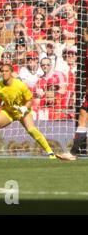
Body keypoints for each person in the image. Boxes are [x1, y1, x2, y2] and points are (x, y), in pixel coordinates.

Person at [0, 63, 56, 159]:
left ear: (11, 73)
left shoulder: (20, 85)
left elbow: (30, 100)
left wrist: (24, 108)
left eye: (6, 71)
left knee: (31, 130)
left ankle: (50, 152)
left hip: (23, 111)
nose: (4, 73)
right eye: (2, 71)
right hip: (8, 112)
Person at [57, 27, 88, 161]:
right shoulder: (85, 50)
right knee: (82, 117)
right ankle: (73, 153)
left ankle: (73, 153)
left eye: (85, 33)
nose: (83, 36)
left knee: (82, 117)